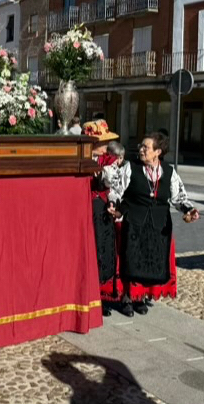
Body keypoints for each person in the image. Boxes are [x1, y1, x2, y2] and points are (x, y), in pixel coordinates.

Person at [107, 132, 200, 317]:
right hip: (135, 221)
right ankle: (126, 298)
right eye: (141, 146)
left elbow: (179, 197)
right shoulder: (131, 167)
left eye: (146, 147)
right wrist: (113, 204)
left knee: (149, 262)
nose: (141, 150)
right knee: (131, 260)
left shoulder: (169, 172)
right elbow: (116, 190)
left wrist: (189, 210)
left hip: (158, 224)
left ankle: (140, 297)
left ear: (157, 152)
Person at [81, 120, 120, 317]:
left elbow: (113, 186)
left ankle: (100, 296)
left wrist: (113, 202)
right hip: (83, 210)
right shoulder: (80, 159)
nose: (106, 145)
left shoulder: (108, 161)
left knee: (102, 250)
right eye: (103, 142)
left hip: (102, 210)